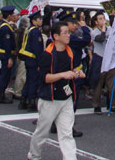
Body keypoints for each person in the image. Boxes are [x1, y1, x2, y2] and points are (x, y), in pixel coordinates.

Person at [26, 22, 85, 160]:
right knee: (42, 132)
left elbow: (71, 69)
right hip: (49, 99)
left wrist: (77, 72)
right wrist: (63, 75)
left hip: (66, 97)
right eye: (64, 33)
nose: (68, 35)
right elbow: (44, 78)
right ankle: (34, 155)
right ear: (55, 36)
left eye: (68, 32)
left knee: (66, 133)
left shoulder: (69, 52)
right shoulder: (47, 54)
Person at [19, 9, 45, 109]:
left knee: (29, 80)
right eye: (39, 19)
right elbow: (37, 48)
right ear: (34, 20)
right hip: (33, 59)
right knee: (33, 81)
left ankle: (23, 99)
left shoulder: (28, 29)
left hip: (27, 58)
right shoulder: (35, 32)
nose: (41, 21)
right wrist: (40, 62)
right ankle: (31, 101)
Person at [0, 6, 18, 103]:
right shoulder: (5, 28)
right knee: (5, 75)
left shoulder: (5, 25)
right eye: (12, 15)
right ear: (9, 16)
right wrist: (9, 58)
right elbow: (7, 44)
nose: (13, 16)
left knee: (4, 74)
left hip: (4, 54)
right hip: (6, 54)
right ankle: (0, 95)